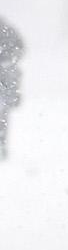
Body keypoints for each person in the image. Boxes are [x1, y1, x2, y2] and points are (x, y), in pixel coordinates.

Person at [0, 15, 23, 159]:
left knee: (2, 113)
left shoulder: (6, 29)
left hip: (5, 78)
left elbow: (19, 47)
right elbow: (20, 47)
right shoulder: (7, 29)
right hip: (6, 78)